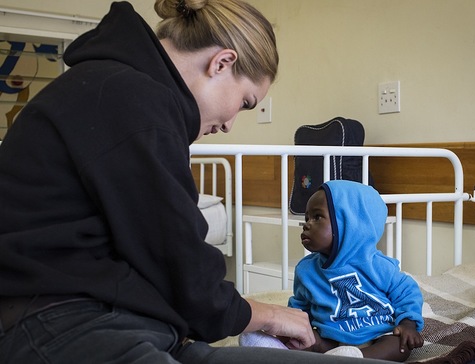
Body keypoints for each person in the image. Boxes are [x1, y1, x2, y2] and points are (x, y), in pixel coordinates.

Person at [0, 1, 381, 363]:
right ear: (222, 62)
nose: (231, 123)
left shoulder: (130, 94)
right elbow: (177, 256)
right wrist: (261, 315)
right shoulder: (130, 98)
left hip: (128, 322)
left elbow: (159, 256)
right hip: (56, 322)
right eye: (246, 102)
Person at [241, 181, 424, 361]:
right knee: (309, 341)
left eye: (317, 217)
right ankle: (276, 351)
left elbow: (407, 292)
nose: (307, 224)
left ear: (350, 223)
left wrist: (408, 323)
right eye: (307, 218)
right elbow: (300, 307)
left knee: (400, 344)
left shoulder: (377, 265)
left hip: (377, 334)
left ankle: (359, 358)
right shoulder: (306, 270)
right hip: (331, 341)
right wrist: (289, 330)